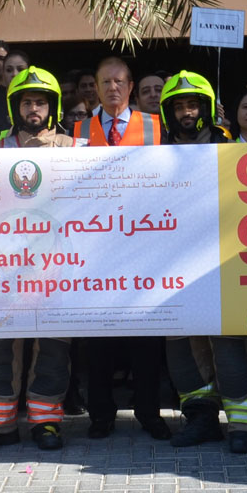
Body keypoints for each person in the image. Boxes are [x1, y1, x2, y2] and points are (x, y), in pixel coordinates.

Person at [157, 72, 247, 452]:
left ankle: (243, 425)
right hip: (173, 267)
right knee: (182, 348)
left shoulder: (231, 146)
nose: (186, 112)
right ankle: (201, 419)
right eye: (178, 106)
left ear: (206, 109)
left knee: (229, 345)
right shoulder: (153, 155)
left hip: (224, 264)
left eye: (193, 105)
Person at [0, 67, 80, 453]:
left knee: (52, 350)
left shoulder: (74, 151)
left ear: (52, 107)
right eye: (27, 102)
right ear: (16, 108)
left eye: (41, 102)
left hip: (55, 272)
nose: (34, 109)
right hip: (4, 273)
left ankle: (46, 423)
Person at [70, 57, 172, 439]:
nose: (113, 88)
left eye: (119, 82)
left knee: (146, 338)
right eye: (105, 82)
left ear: (131, 88)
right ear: (94, 88)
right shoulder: (78, 130)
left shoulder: (155, 126)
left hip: (143, 248)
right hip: (96, 248)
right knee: (99, 340)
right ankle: (101, 415)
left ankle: (149, 412)